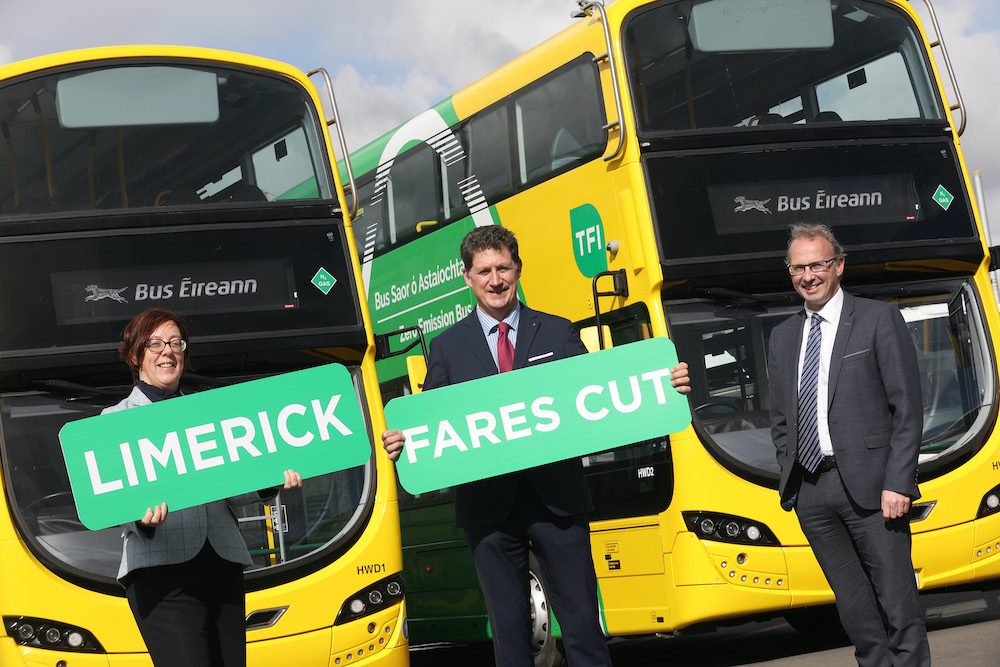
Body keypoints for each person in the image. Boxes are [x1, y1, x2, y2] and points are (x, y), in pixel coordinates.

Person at [382, 226, 689, 666]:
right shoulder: (447, 347)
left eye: (503, 268)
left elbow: (605, 394)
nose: (495, 280)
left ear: (518, 269)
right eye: (484, 271)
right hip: (488, 511)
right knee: (509, 636)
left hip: (557, 503)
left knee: (582, 626)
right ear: (467, 278)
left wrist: (664, 384)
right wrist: (404, 441)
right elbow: (433, 422)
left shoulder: (557, 331)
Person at [768, 224, 930, 665]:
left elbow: (907, 409)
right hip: (813, 492)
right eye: (798, 267)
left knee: (899, 607)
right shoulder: (782, 337)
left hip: (876, 489)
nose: (808, 276)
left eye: (817, 264)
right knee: (856, 615)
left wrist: (899, 482)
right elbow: (781, 420)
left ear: (838, 266)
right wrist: (793, 476)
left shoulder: (877, 319)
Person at [106, 307, 302, 667]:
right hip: (160, 573)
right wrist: (141, 519)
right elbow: (113, 499)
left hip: (222, 564)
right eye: (156, 343)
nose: (168, 350)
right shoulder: (115, 420)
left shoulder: (208, 412)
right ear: (136, 355)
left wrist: (269, 480)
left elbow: (234, 492)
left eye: (176, 343)